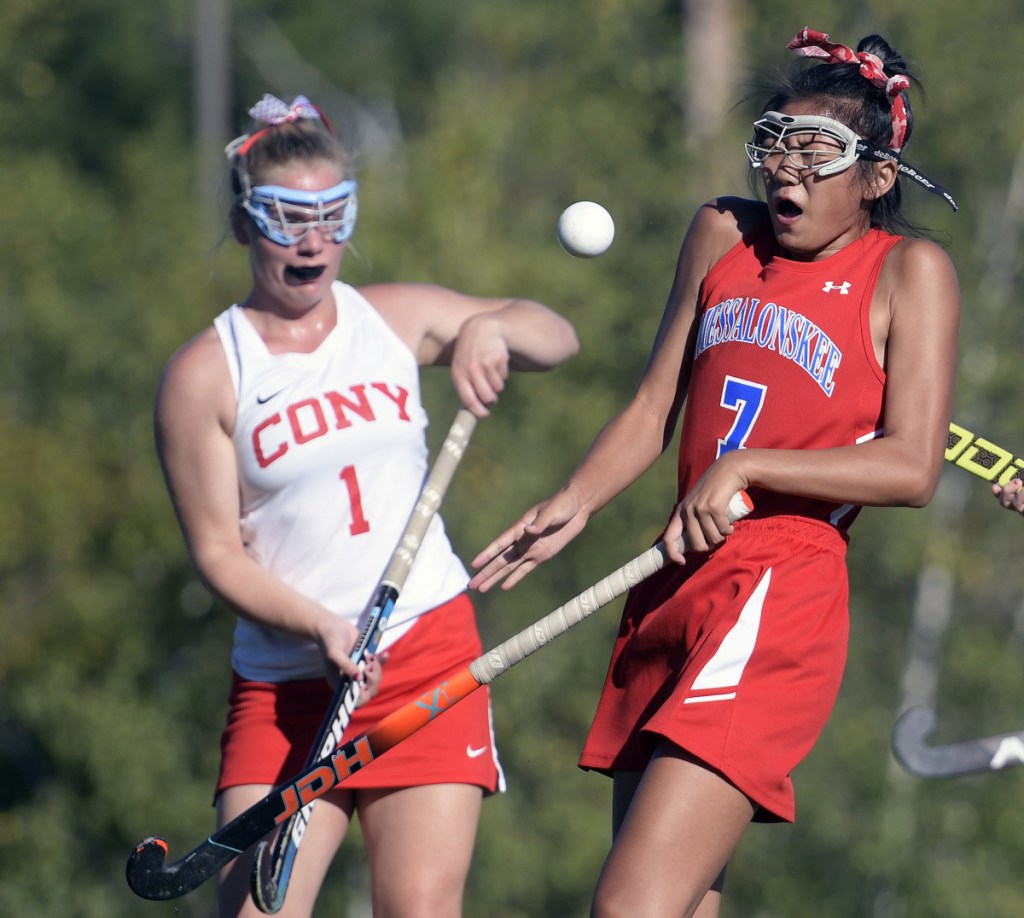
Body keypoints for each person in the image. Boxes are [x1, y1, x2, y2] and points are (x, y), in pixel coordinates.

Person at [470, 28, 960, 918]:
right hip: (673, 575)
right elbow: (656, 406)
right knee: (684, 906)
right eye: (775, 148)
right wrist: (574, 502)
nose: (787, 176)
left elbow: (914, 464)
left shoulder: (908, 273)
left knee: (630, 907)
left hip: (782, 590)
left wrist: (746, 463)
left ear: (878, 177)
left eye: (818, 158)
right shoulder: (721, 233)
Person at [154, 93, 579, 918]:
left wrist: (494, 327)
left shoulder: (391, 319)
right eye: (286, 218)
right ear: (244, 225)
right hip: (288, 685)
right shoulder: (205, 374)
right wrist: (318, 625)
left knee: (418, 908)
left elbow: (556, 336)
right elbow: (215, 554)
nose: (313, 241)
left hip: (423, 654)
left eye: (333, 215)